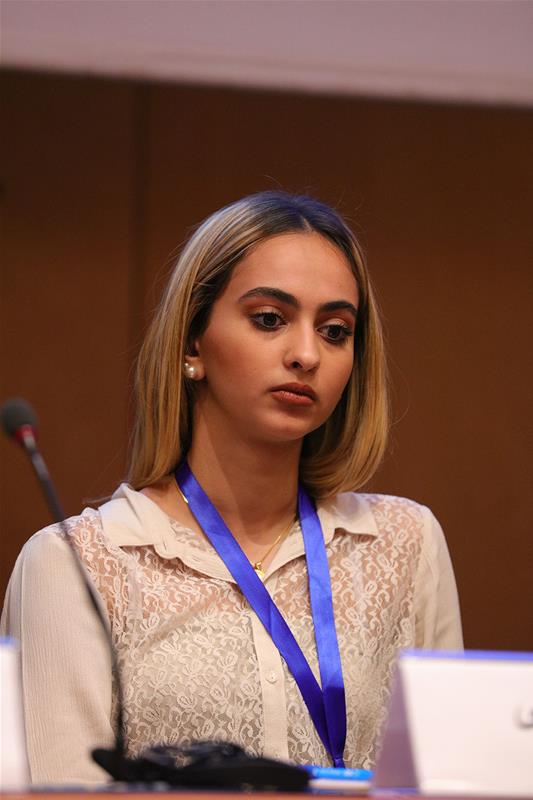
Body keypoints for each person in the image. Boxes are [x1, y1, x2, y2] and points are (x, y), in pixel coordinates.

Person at [1, 191, 462, 784]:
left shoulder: (405, 545)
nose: (306, 354)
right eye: (270, 319)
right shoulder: (77, 565)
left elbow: (454, 782)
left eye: (334, 331)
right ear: (192, 343)